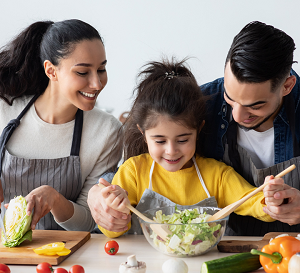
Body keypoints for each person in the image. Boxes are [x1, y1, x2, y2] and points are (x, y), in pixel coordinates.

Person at [90, 59, 283, 238]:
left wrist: (271, 198)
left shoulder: (217, 175)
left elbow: (253, 203)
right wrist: (114, 208)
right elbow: (111, 231)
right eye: (159, 141)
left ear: (198, 130)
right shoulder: (133, 171)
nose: (171, 150)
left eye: (182, 140)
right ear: (143, 133)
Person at [0, 19, 121, 231]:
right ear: (51, 71)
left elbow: (89, 221)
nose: (97, 83)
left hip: (68, 255)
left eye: (101, 69)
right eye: (83, 72)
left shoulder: (107, 131)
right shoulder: (4, 109)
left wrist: (55, 199)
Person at [199, 21, 300, 235]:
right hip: (223, 246)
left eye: (255, 106)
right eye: (230, 97)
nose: (237, 115)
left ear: (287, 86)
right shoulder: (201, 103)